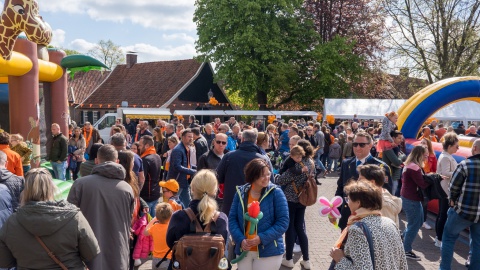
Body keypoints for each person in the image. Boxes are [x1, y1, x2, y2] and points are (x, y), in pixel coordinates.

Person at [0, 168, 100, 269]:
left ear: (25, 191)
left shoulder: (12, 222)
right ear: (52, 188)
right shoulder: (74, 217)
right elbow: (91, 253)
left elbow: (4, 262)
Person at [67, 145, 134, 270]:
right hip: (118, 253)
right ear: (117, 161)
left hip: (87, 254)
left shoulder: (80, 184)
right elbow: (129, 220)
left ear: (96, 161)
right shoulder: (126, 188)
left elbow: (69, 219)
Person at [330, 180, 407, 270]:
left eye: (348, 199)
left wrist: (340, 259)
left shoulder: (358, 229)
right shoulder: (390, 223)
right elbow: (403, 263)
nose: (347, 203)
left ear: (358, 203)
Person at [229, 158, 289, 269]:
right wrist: (240, 239)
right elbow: (232, 219)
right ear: (253, 176)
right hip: (244, 250)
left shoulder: (276, 192)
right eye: (262, 175)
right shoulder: (240, 192)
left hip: (269, 251)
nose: (267, 178)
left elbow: (283, 222)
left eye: (268, 174)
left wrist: (261, 238)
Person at [333, 131, 392, 230]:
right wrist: (335, 211)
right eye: (355, 144)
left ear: (370, 145)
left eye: (362, 144)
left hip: (368, 220)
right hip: (347, 217)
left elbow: (385, 195)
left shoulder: (380, 167)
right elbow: (340, 189)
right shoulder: (347, 163)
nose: (358, 147)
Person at [440, 139, 480, 269]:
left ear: (474, 149)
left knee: (448, 239)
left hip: (462, 211)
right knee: (478, 244)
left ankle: (445, 268)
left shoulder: (465, 164)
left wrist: (452, 200)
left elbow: (453, 187)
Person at [166, 170, 228, 248]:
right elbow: (224, 244)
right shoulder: (221, 219)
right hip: (212, 260)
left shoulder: (179, 217)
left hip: (185, 260)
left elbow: (170, 243)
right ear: (215, 191)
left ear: (192, 189)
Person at [217, 128, 273, 215]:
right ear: (255, 141)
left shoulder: (229, 157)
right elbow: (271, 182)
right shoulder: (264, 159)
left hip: (232, 202)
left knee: (231, 227)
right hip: (256, 204)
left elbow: (218, 177)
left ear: (242, 139)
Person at [277, 145, 315, 269]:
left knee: (290, 228)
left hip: (291, 199)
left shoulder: (295, 165)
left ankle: (288, 259)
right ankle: (306, 260)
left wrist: (277, 175)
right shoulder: (309, 162)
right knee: (300, 228)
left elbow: (281, 180)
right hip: (303, 199)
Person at [400, 145, 431, 260]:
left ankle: (403, 237)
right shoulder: (415, 168)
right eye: (425, 154)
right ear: (420, 154)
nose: (427, 156)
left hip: (408, 197)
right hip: (411, 199)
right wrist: (434, 178)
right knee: (414, 225)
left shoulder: (410, 165)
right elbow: (422, 184)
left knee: (418, 222)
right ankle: (406, 249)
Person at [434, 132, 459, 249]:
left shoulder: (447, 156)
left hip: (445, 189)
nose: (457, 148)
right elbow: (444, 173)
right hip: (445, 190)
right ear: (449, 146)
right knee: (443, 215)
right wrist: (459, 172)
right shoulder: (445, 157)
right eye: (456, 146)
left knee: (442, 214)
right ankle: (439, 238)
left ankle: (438, 237)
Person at [167, 129, 197, 207]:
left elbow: (187, 164)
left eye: (192, 137)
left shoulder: (187, 148)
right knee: (173, 204)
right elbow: (177, 166)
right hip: (177, 181)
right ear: (183, 137)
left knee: (188, 203)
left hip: (184, 181)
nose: (191, 138)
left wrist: (198, 169)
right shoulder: (178, 150)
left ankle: (191, 217)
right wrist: (193, 171)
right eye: (189, 137)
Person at [138, 135, 163, 218]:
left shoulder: (145, 160)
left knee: (145, 224)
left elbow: (141, 179)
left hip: (146, 196)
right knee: (154, 222)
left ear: (147, 146)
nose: (139, 148)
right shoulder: (157, 156)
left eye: (140, 145)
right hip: (155, 193)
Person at [144, 202, 173, 270]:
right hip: (167, 259)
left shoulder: (154, 227)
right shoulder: (170, 228)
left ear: (157, 217)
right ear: (170, 216)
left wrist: (153, 220)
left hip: (155, 260)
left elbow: (145, 232)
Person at [382, 130, 406, 196]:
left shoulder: (396, 147)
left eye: (402, 138)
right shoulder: (388, 148)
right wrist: (401, 157)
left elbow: (404, 156)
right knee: (390, 195)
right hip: (390, 176)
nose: (401, 140)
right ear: (393, 138)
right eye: (399, 138)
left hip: (395, 175)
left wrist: (401, 156)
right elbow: (397, 162)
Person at [420, 137, 437, 230]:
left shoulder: (432, 156)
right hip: (418, 180)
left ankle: (423, 221)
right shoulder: (416, 155)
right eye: (421, 142)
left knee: (425, 202)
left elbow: (434, 169)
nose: (422, 144)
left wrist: (430, 176)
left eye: (424, 143)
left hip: (426, 181)